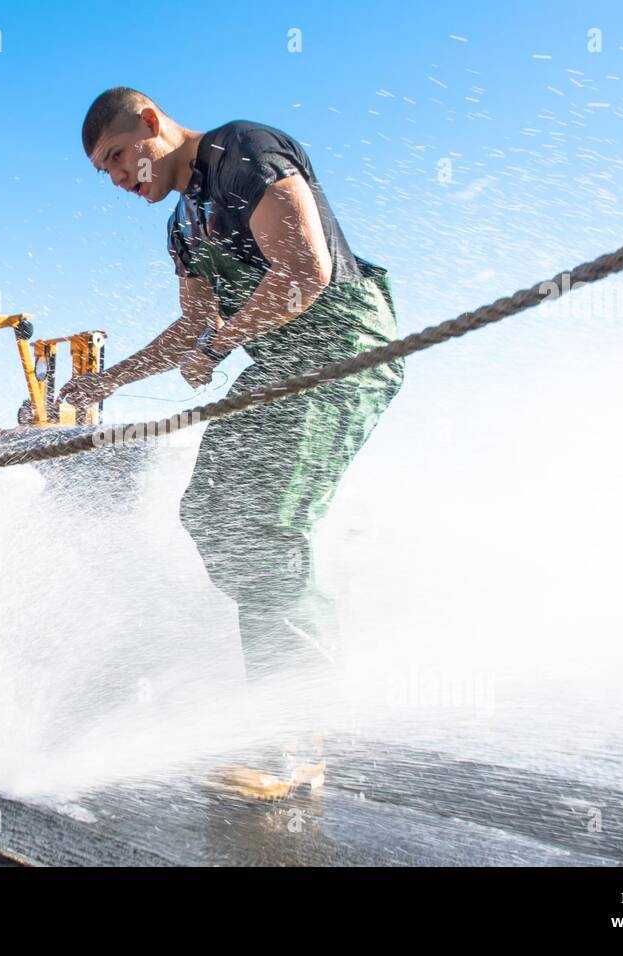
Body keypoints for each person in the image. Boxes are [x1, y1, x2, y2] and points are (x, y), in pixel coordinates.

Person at [61, 88, 404, 799]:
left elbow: (306, 271)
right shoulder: (184, 224)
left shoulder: (241, 152)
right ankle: (289, 696)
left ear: (151, 121)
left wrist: (222, 342)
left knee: (260, 527)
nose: (120, 178)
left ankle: (301, 737)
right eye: (106, 173)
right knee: (214, 516)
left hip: (343, 352)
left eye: (120, 156)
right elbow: (193, 326)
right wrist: (111, 381)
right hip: (282, 368)